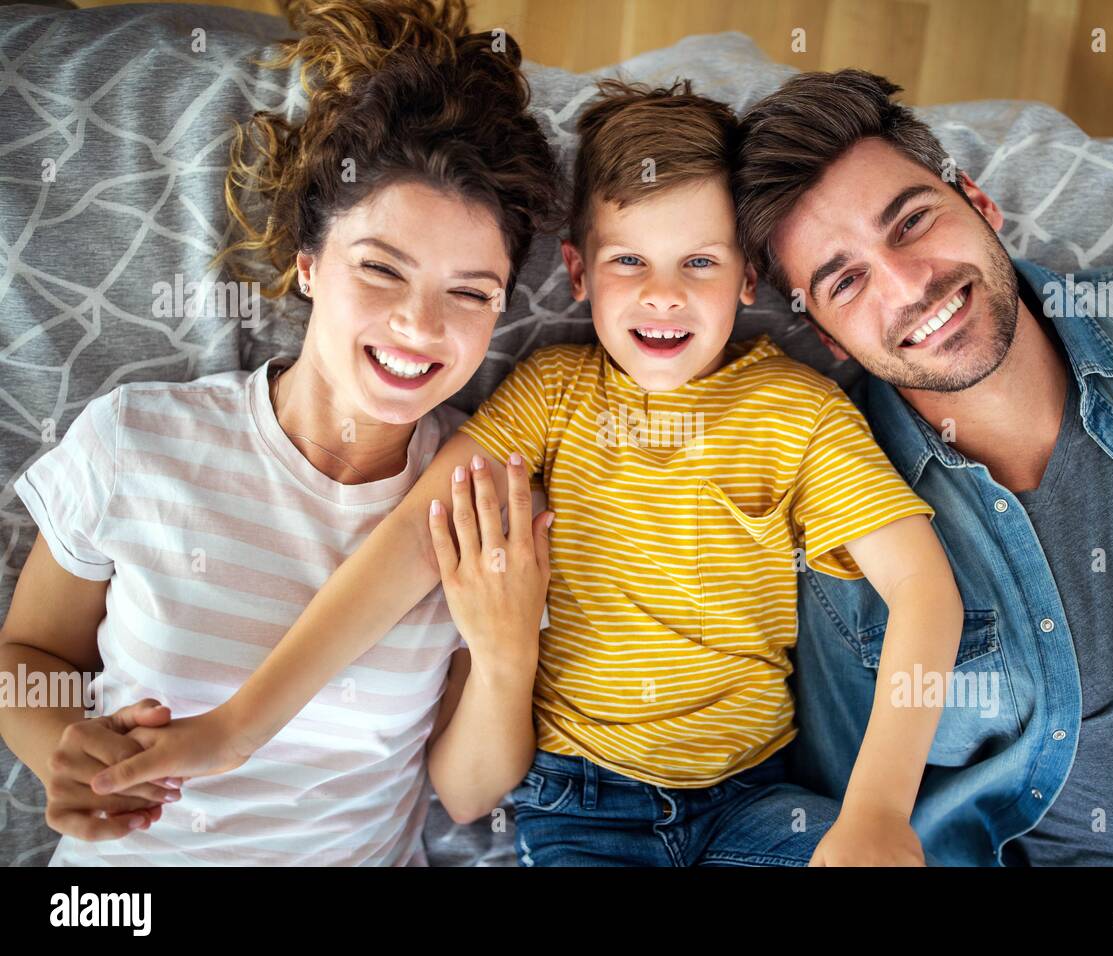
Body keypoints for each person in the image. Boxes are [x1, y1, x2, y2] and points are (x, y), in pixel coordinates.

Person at [92, 79, 966, 867]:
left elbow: (926, 593)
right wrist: (238, 729)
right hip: (581, 806)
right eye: (630, 261)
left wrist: (879, 812)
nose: (664, 294)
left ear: (748, 280)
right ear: (578, 273)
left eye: (700, 262)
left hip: (755, 797)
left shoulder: (802, 412)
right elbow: (411, 542)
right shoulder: (551, 394)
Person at [0, 0, 559, 864]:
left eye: (471, 292)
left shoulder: (480, 502)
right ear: (307, 265)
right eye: (380, 268)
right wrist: (63, 756)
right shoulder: (135, 441)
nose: (419, 326)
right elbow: (28, 653)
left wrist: (505, 647)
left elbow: (466, 790)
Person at [732, 68, 1113, 866]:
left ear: (981, 204)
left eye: (912, 222)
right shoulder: (846, 554)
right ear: (828, 338)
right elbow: (856, 823)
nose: (908, 285)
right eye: (846, 281)